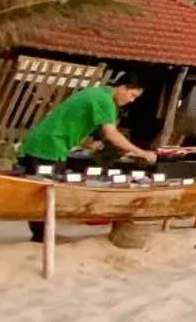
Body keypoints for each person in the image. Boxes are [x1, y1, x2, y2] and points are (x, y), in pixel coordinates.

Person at [13, 78, 155, 241]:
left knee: (43, 190)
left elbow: (69, 121)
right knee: (48, 191)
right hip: (49, 146)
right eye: (132, 95)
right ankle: (43, 236)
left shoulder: (96, 93)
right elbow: (111, 133)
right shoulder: (104, 100)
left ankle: (42, 234)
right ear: (122, 87)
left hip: (44, 141)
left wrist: (88, 143)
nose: (132, 100)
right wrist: (141, 152)